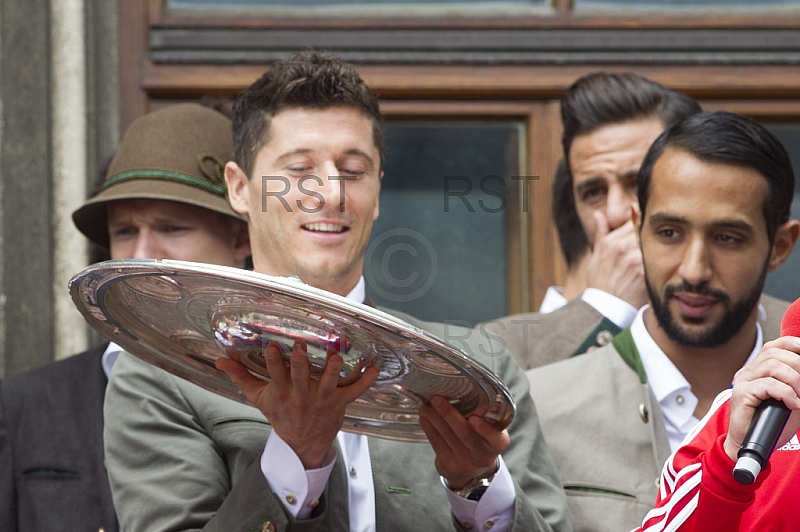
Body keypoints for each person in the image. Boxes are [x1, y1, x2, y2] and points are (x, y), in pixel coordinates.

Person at [102, 51, 570, 532]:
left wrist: (477, 488)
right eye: (300, 169)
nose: (331, 193)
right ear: (239, 188)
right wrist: (296, 457)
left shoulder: (479, 367)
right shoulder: (162, 372)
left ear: (378, 190)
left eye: (353, 170)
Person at [528, 110, 800, 532]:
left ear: (780, 246)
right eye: (669, 232)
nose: (694, 270)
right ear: (637, 227)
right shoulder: (539, 405)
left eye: (727, 238)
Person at [0, 102, 251, 532]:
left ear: (242, 239)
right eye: (125, 231)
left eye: (172, 228)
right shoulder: (23, 405)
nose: (140, 255)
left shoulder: (284, 394)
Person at [480, 72, 711, 370]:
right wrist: (604, 311)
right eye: (593, 193)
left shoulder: (775, 331)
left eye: (637, 183)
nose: (615, 212)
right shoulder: (501, 346)